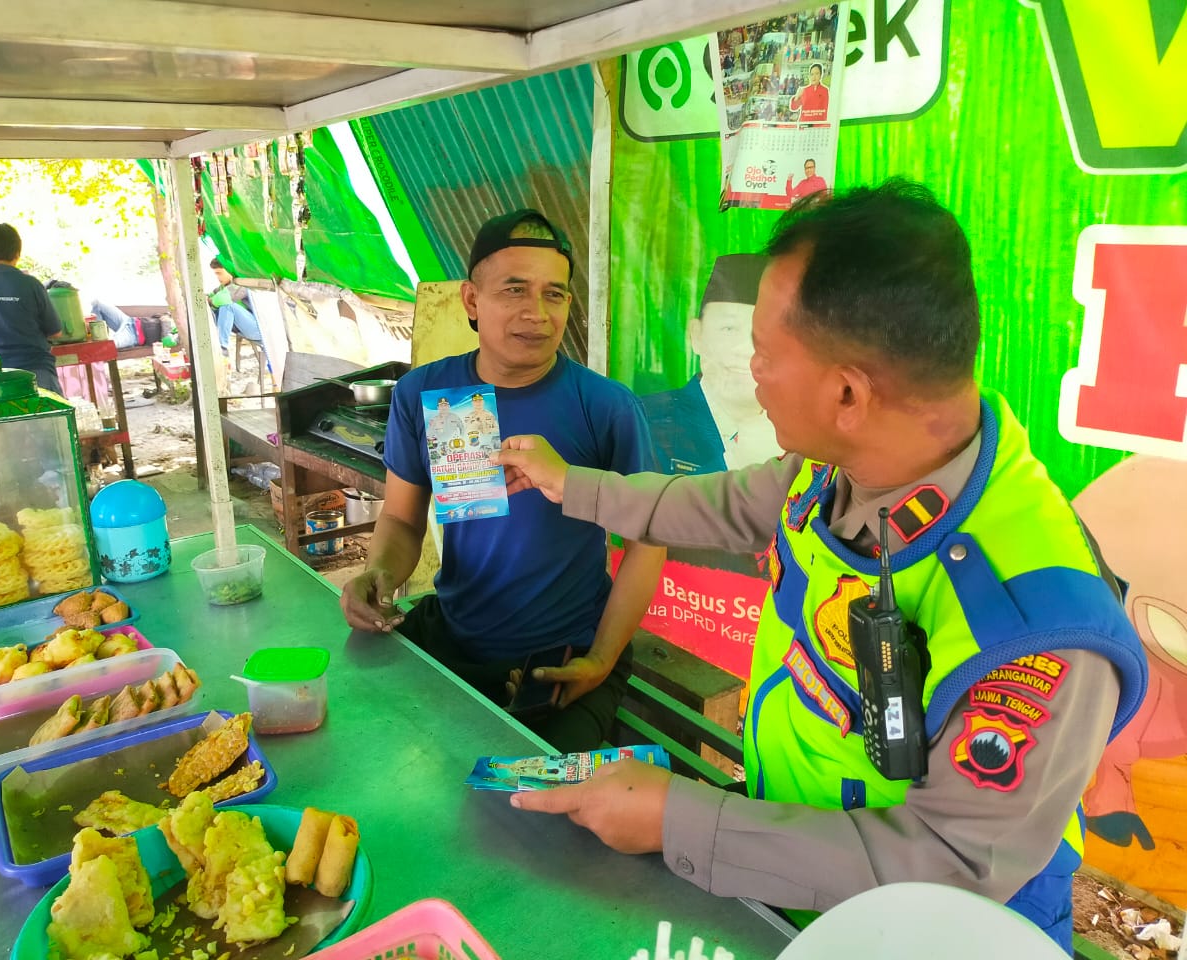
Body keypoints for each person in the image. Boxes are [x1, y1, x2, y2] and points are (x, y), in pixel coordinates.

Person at [491, 180, 1148, 951]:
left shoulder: (1035, 622)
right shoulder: (855, 462)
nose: (751, 371)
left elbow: (952, 861)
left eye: (765, 354)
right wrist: (571, 484)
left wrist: (681, 819)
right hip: (800, 879)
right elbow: (728, 505)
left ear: (846, 392)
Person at [340, 208, 666, 752]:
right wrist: (377, 575)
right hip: (453, 636)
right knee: (377, 748)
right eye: (515, 290)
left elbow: (647, 543)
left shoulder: (606, 408)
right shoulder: (426, 394)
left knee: (539, 812)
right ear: (472, 300)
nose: (536, 313)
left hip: (560, 661)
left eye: (555, 294)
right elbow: (400, 517)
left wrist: (601, 660)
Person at [641, 254, 777, 475]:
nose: (746, 349)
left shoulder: (803, 431)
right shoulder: (645, 421)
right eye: (729, 329)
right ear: (696, 335)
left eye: (763, 332)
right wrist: (738, 459)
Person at [0, 222, 62, 393]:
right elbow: (55, 332)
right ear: (17, 253)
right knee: (48, 419)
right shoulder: (30, 284)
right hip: (35, 372)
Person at [208, 257, 269, 372]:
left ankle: (223, 348)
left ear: (229, 270)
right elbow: (212, 296)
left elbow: (223, 298)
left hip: (259, 329)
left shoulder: (242, 283)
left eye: (219, 273)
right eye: (215, 274)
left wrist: (210, 301)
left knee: (227, 306)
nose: (218, 277)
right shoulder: (223, 286)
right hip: (244, 328)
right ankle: (213, 344)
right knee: (212, 310)